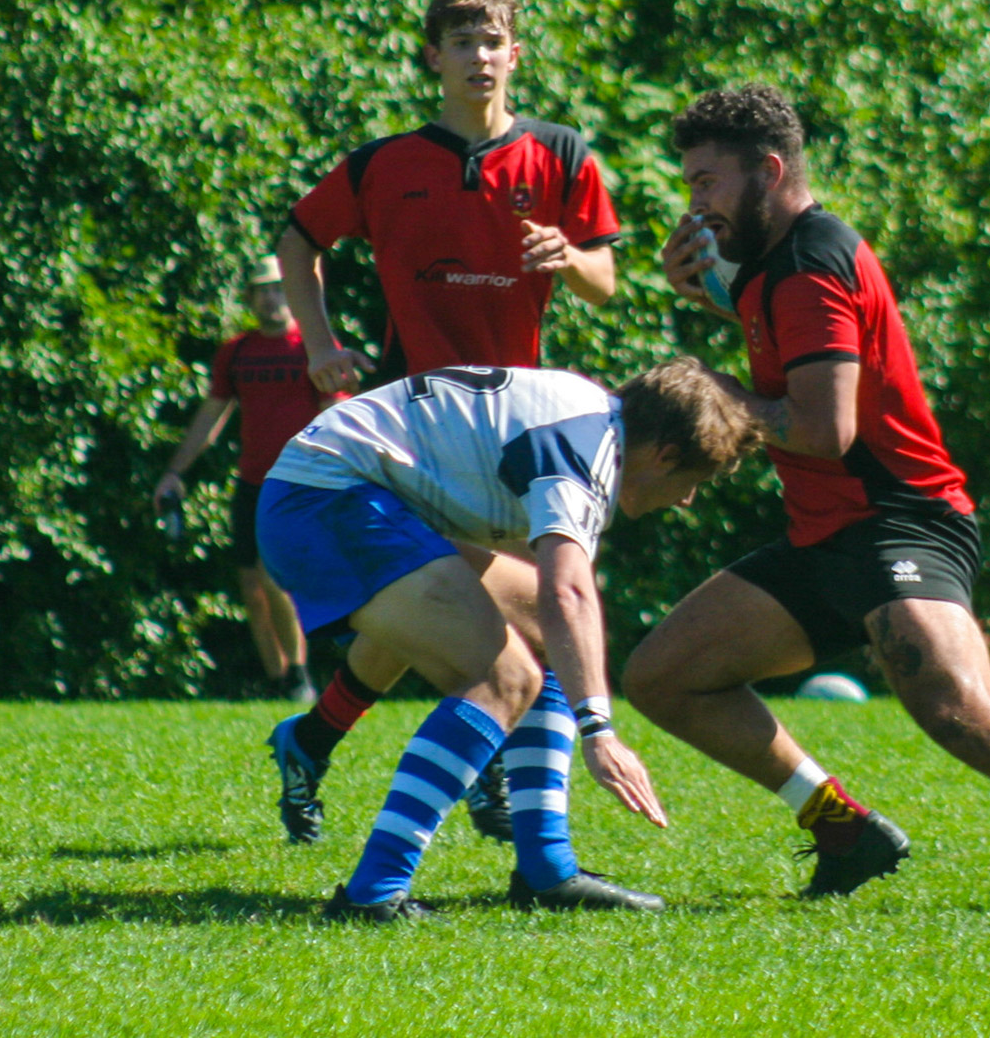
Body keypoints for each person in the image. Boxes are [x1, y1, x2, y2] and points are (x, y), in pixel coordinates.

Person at [626, 84, 990, 918]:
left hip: (900, 520)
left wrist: (716, 396)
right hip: (827, 535)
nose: (697, 205)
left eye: (708, 183)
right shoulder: (770, 267)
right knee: (661, 676)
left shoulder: (807, 268)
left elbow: (823, 429)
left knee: (955, 709)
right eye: (691, 185)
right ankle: (844, 829)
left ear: (770, 170)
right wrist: (708, 295)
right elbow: (786, 353)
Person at [267, 0, 622, 844]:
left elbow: (608, 282)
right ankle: (496, 778)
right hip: (412, 428)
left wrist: (568, 259)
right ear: (434, 58)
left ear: (515, 54)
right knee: (502, 613)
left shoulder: (562, 155)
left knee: (446, 608)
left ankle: (313, 736)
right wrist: (317, 344)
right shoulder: (387, 164)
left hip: (518, 430)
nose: (478, 57)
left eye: (492, 41)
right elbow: (297, 241)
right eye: (460, 43)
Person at [257, 359, 763, 920]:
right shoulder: (584, 451)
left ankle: (548, 871)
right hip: (326, 503)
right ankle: (372, 894)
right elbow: (567, 591)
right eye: (697, 481)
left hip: (341, 494)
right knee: (504, 680)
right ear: (664, 454)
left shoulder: (591, 416)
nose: (689, 498)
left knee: (547, 639)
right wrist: (600, 730)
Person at [153, 257, 330, 703]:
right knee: (252, 591)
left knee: (275, 579)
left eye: (278, 287)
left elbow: (337, 413)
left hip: (298, 486)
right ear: (249, 299)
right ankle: (279, 683)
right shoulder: (237, 352)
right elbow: (212, 415)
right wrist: (175, 473)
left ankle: (300, 677)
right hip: (252, 483)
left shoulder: (313, 346)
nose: (271, 297)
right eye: (261, 290)